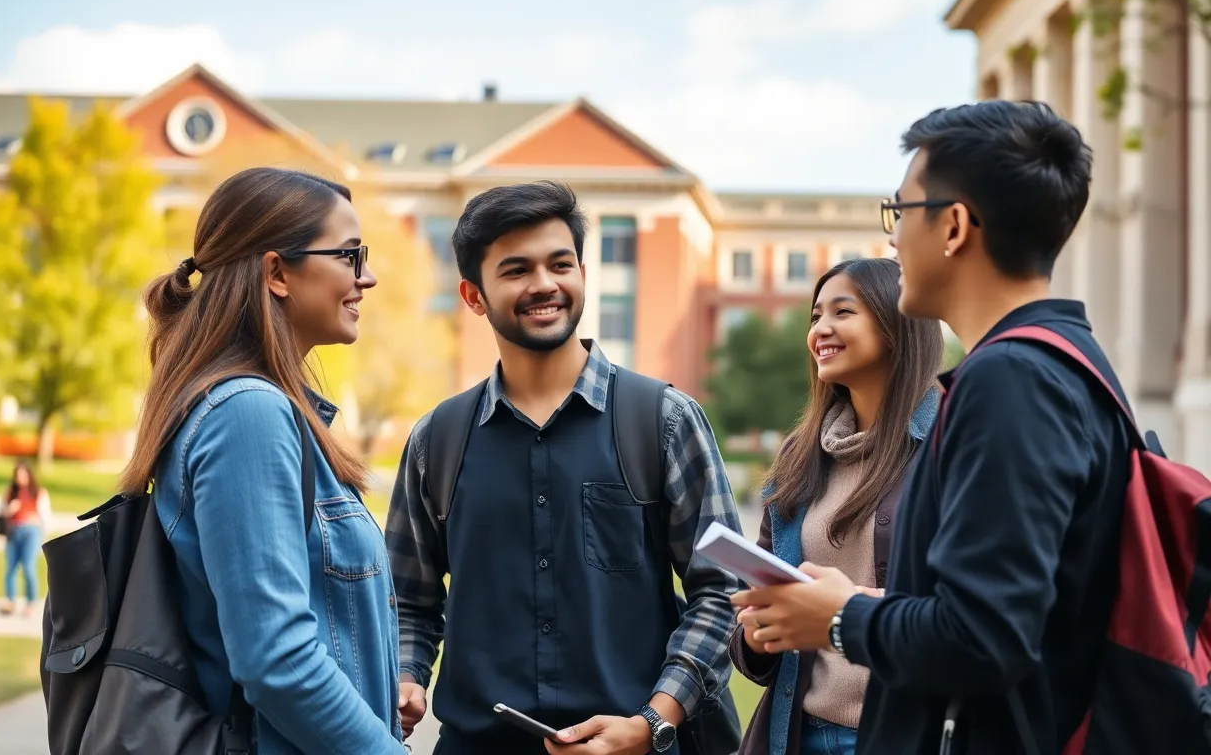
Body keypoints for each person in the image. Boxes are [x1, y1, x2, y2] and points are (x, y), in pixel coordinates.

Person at [732, 100, 1128, 754]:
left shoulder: (1010, 379)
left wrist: (839, 613)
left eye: (900, 212)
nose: (892, 241)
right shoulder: (1063, 359)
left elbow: (984, 636)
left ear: (953, 227)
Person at [386, 181, 743, 755]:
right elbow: (408, 601)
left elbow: (724, 588)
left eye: (560, 263)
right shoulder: (438, 440)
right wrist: (405, 675)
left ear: (582, 272)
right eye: (517, 270)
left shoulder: (664, 421)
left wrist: (654, 720)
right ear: (473, 296)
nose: (544, 284)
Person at [116, 167, 405, 754]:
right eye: (350, 255)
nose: (367, 277)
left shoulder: (252, 410)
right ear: (277, 272)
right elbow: (277, 658)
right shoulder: (247, 414)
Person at [729, 258, 942, 755]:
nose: (820, 329)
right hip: (798, 734)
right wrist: (759, 631)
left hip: (899, 736)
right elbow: (751, 647)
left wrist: (856, 607)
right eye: (815, 316)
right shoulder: (799, 456)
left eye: (842, 312)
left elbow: (966, 615)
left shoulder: (948, 445)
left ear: (896, 324)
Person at [0, 460, 51, 616]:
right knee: (11, 568)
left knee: (28, 567)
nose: (20, 477)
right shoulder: (10, 492)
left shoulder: (38, 492)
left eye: (23, 474)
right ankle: (10, 601)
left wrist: (43, 535)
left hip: (31, 531)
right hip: (13, 531)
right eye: (17, 475)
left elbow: (45, 516)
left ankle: (31, 602)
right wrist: (9, 509)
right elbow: (1, 514)